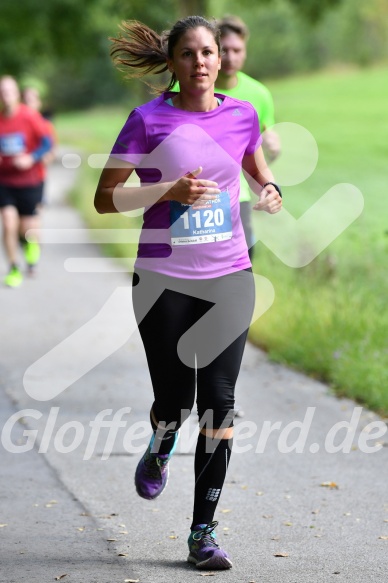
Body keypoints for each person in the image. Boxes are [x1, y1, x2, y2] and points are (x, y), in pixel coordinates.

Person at [94, 16, 282, 570]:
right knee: (174, 404)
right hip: (161, 282)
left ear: (219, 60)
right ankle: (160, 445)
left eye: (208, 53)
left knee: (219, 406)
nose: (200, 62)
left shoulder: (242, 114)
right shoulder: (147, 120)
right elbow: (107, 199)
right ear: (172, 64)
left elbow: (256, 169)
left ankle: (203, 533)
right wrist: (165, 190)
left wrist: (268, 189)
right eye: (188, 54)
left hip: (229, 277)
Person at [215, 15, 281, 260]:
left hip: (237, 195)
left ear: (245, 51)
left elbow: (259, 159)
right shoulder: (187, 89)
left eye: (237, 50)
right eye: (224, 50)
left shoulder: (259, 94)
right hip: (194, 194)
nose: (230, 57)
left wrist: (274, 150)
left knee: (242, 266)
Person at [0, 76, 52, 286]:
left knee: (27, 230)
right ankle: (13, 268)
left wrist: (31, 158)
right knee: (8, 223)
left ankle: (30, 246)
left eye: (9, 91)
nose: (6, 96)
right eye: (2, 92)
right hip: (5, 181)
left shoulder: (29, 116)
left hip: (30, 181)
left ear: (17, 93)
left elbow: (47, 143)